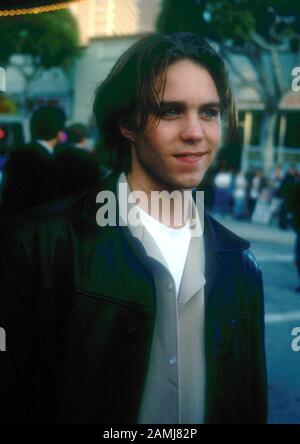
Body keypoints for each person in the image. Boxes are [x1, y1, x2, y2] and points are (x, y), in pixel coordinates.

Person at [0, 32, 267, 424]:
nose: (196, 132)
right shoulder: (38, 246)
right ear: (127, 123)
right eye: (171, 111)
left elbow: (248, 402)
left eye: (209, 112)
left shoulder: (242, 265)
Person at [0, 108, 100, 219]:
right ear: (60, 132)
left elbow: (7, 204)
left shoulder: (16, 159)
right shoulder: (83, 160)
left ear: (31, 128)